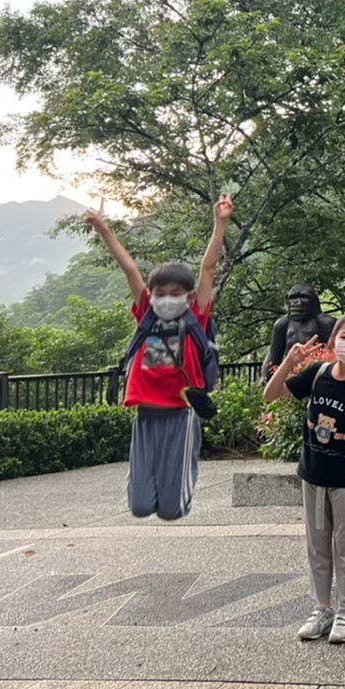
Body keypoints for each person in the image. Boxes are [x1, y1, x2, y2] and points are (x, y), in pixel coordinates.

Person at [86, 196, 230, 521]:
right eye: (160, 294)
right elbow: (130, 269)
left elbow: (208, 268)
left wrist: (220, 223)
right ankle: (145, 482)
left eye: (175, 294)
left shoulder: (195, 316)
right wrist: (103, 229)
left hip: (181, 415)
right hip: (146, 416)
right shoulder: (147, 316)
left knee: (171, 510)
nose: (166, 300)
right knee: (139, 507)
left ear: (188, 297)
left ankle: (182, 489)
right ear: (151, 296)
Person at [263, 312, 345, 646]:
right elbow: (271, 395)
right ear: (332, 342)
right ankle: (322, 608)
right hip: (313, 475)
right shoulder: (317, 374)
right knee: (317, 546)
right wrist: (289, 362)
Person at [265, 284, 336, 375]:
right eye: (292, 298)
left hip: (319, 374)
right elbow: (273, 358)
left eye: (303, 297)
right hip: (290, 375)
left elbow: (335, 355)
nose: (296, 302)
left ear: (313, 301)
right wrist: (267, 378)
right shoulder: (282, 324)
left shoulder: (326, 323)